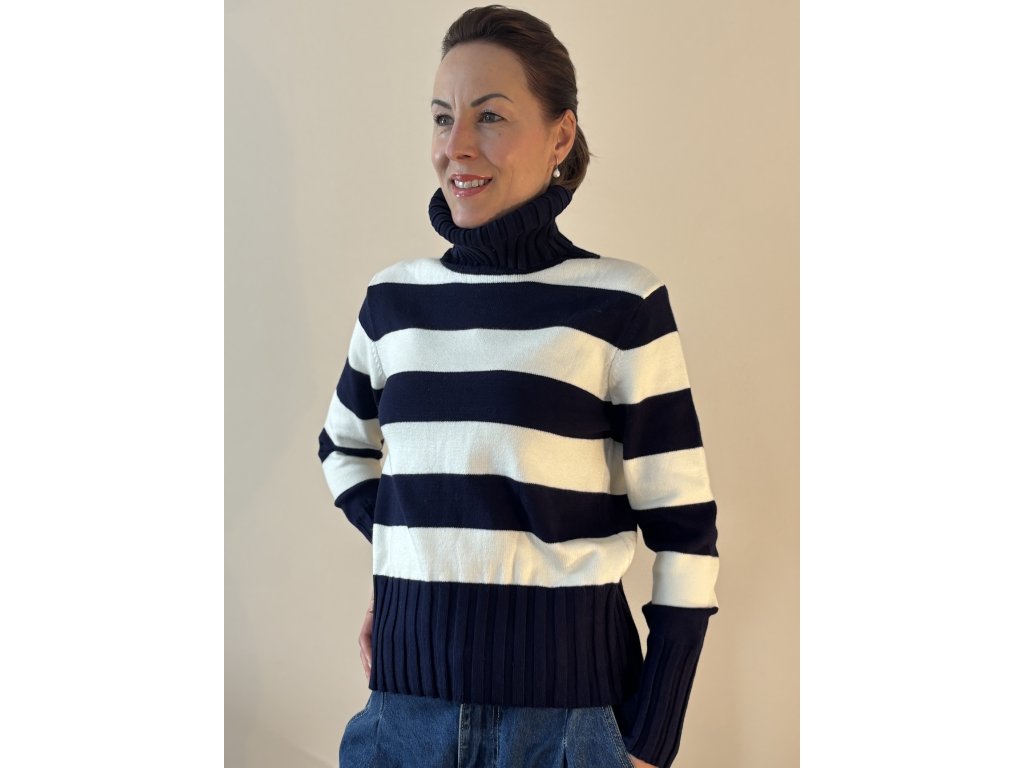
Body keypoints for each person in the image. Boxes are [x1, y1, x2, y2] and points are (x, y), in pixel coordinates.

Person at [317, 5, 720, 767]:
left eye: (490, 116)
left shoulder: (621, 305)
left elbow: (686, 533)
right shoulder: (393, 301)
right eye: (443, 119)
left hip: (568, 728)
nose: (457, 146)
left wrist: (653, 735)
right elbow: (343, 448)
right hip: (402, 719)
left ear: (561, 137)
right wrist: (416, 560)